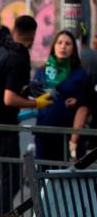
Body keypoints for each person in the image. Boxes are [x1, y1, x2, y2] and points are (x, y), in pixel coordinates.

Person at [0, 15, 42, 213]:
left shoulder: (2, 49)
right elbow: (9, 98)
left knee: (8, 176)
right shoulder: (19, 58)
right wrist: (37, 103)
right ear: (33, 35)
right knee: (12, 178)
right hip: (2, 123)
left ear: (14, 30)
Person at [33, 29, 92, 163]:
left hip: (68, 134)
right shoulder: (42, 71)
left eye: (67, 44)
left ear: (73, 49)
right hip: (44, 132)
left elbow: (85, 103)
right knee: (44, 175)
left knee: (67, 178)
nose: (63, 46)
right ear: (54, 46)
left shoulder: (80, 74)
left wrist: (77, 101)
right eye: (59, 43)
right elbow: (33, 95)